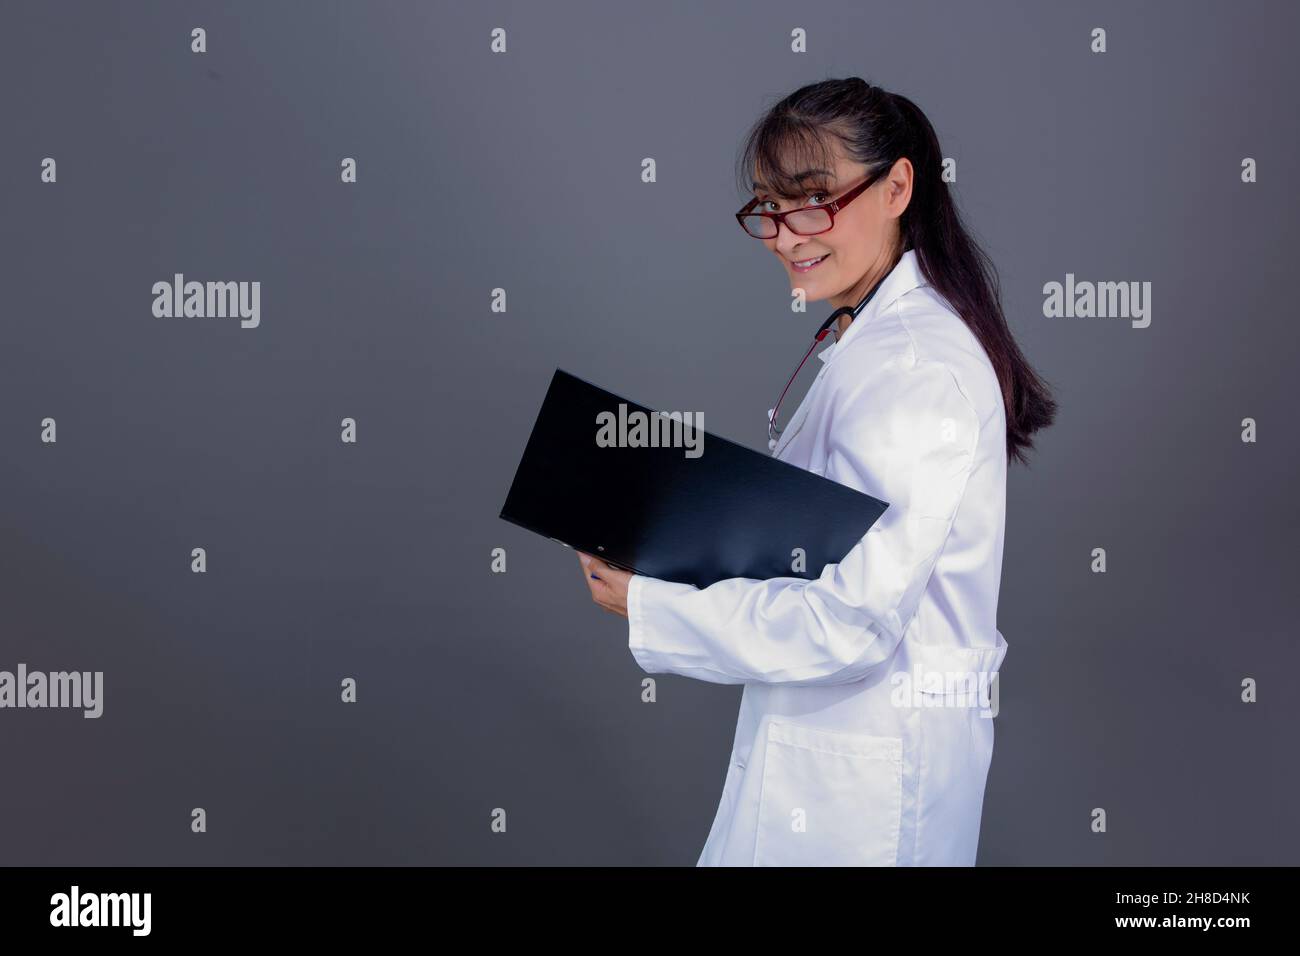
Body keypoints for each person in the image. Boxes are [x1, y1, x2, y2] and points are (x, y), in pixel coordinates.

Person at [579, 77, 1057, 866]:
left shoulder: (915, 368)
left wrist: (653, 606)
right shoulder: (872, 339)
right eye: (767, 206)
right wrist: (674, 548)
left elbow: (854, 623)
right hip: (836, 760)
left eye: (812, 199)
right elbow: (818, 549)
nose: (785, 233)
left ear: (898, 186)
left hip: (866, 786)